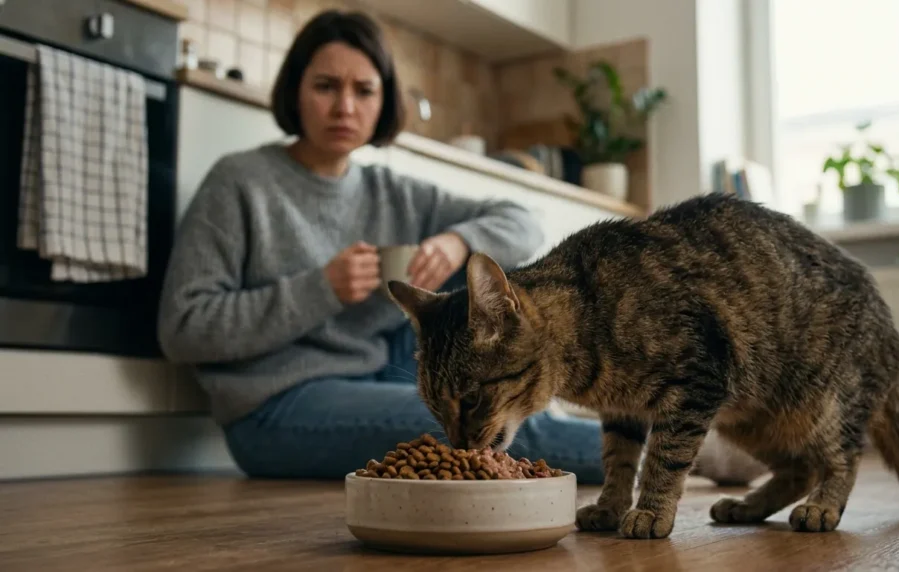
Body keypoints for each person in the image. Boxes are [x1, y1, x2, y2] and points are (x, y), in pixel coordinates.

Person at [155, 9, 609, 483]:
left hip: (377, 379)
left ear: (384, 100)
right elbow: (183, 329)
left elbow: (523, 222)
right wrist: (322, 289)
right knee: (482, 431)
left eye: (364, 90)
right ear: (295, 90)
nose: (345, 107)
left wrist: (457, 243)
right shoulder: (240, 182)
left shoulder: (392, 191)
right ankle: (672, 450)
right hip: (274, 408)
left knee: (481, 326)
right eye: (326, 86)